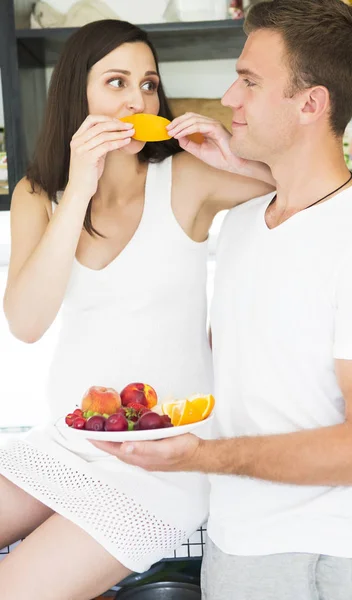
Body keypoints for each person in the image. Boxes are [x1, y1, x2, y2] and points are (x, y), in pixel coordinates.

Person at [94, 2, 352, 599]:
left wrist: (201, 457)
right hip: (234, 545)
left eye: (250, 82)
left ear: (311, 103)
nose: (228, 97)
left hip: (317, 560)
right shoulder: (242, 223)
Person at [0, 19, 274, 600]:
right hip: (65, 445)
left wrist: (232, 157)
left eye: (147, 85)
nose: (136, 101)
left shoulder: (190, 178)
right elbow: (26, 323)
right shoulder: (38, 194)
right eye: (117, 83)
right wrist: (77, 189)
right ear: (79, 95)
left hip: (160, 469)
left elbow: (308, 187)